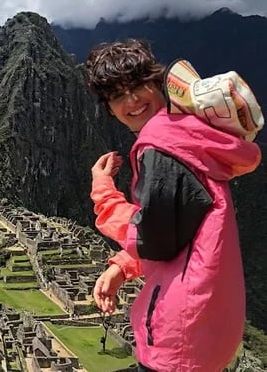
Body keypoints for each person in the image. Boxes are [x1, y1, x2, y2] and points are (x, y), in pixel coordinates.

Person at [85, 39, 261, 371]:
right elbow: (179, 227)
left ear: (157, 83)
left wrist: (103, 193)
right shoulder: (191, 136)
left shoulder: (162, 147)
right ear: (109, 108)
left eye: (138, 87)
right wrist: (122, 266)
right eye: (118, 95)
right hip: (210, 323)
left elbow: (155, 239)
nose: (132, 100)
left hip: (179, 333)